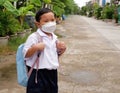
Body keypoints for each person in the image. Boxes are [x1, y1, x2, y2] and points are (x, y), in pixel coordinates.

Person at [23, 8, 66, 93]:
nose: (50, 23)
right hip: (38, 74)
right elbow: (25, 55)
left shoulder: (54, 37)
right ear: (38, 24)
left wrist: (61, 50)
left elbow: (54, 54)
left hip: (52, 73)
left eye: (52, 20)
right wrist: (35, 48)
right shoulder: (34, 37)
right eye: (46, 21)